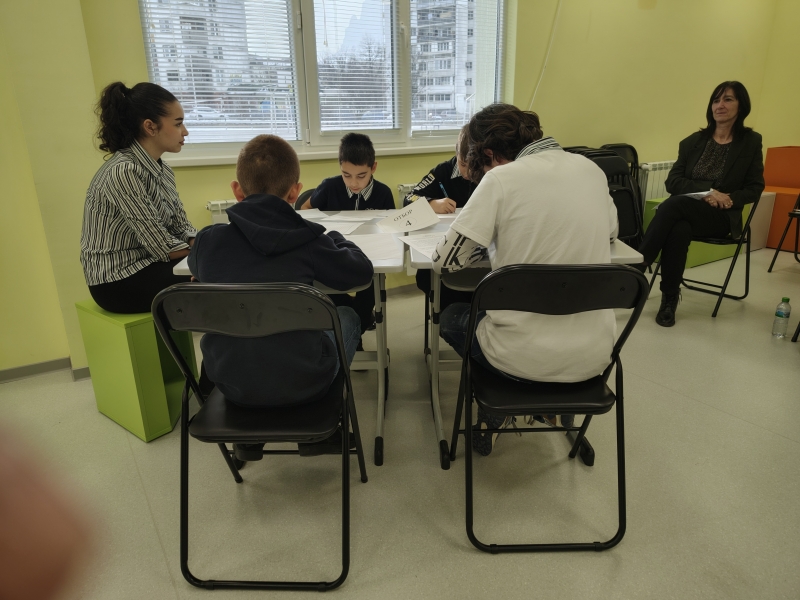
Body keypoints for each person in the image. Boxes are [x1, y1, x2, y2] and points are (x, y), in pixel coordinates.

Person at [431, 103, 619, 456]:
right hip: (594, 355)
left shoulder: (501, 180)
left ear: (489, 154)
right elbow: (611, 232)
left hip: (517, 357)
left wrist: (491, 240)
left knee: (453, 318)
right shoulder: (591, 169)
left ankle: (496, 410)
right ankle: (551, 406)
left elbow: (446, 261)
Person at [188, 135, 373, 459]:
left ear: (237, 190)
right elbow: (361, 273)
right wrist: (336, 237)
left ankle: (249, 437)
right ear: (294, 192)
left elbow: (197, 268)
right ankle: (317, 432)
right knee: (347, 316)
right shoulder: (311, 242)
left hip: (231, 383)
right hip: (304, 383)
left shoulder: (208, 241)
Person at [638, 81, 765, 327]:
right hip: (688, 210)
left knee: (672, 206)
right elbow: (672, 182)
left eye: (728, 99)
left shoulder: (750, 142)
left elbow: (755, 187)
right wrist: (708, 192)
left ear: (741, 106)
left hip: (721, 217)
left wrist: (728, 198)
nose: (720, 105)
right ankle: (669, 299)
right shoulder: (692, 142)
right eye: (716, 100)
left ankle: (636, 269)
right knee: (678, 228)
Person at [80, 81, 197, 314]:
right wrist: (209, 249)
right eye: (178, 124)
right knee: (215, 276)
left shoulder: (162, 169)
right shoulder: (123, 171)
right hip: (116, 282)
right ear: (150, 127)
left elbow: (180, 227)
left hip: (150, 263)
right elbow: (163, 247)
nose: (185, 132)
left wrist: (202, 242)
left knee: (219, 268)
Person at [301, 133, 394, 335]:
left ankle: (356, 329)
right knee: (331, 292)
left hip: (370, 258)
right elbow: (305, 208)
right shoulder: (329, 187)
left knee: (369, 292)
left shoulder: (383, 193)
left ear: (373, 167)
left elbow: (390, 228)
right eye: (346, 175)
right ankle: (351, 327)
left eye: (361, 176)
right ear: (340, 168)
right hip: (334, 255)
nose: (353, 183)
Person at [404, 126, 477, 312]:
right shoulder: (442, 171)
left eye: (473, 166)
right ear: (456, 153)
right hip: (442, 245)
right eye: (463, 164)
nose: (468, 172)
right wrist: (431, 203)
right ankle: (451, 316)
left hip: (474, 249)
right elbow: (409, 198)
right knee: (433, 282)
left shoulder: (487, 173)